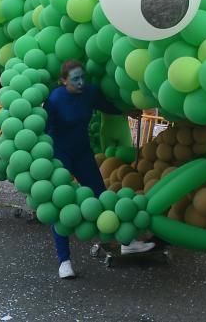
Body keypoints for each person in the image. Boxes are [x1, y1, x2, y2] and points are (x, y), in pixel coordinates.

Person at [45, 60, 154, 279]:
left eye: (82, 77)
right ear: (63, 81)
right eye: (75, 79)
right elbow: (46, 130)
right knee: (60, 202)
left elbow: (107, 106)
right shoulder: (55, 99)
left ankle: (125, 242)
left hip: (83, 152)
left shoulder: (89, 92)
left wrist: (129, 111)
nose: (81, 82)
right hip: (60, 154)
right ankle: (64, 260)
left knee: (101, 194)